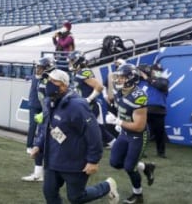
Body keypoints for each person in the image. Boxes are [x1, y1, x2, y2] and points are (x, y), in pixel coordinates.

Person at [30, 70, 120, 204]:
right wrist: (39, 144)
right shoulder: (50, 101)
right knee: (49, 193)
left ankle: (107, 186)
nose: (49, 84)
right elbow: (47, 127)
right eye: (48, 81)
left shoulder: (77, 105)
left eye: (54, 81)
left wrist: (93, 160)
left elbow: (94, 134)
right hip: (52, 159)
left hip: (74, 162)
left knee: (76, 197)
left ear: (64, 85)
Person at [105, 64, 156, 204]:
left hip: (138, 136)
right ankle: (146, 167)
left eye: (122, 77)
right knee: (115, 162)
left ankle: (138, 195)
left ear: (131, 79)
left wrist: (118, 122)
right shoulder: (121, 90)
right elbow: (112, 98)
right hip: (125, 132)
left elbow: (139, 127)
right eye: (118, 77)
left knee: (129, 167)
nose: (118, 80)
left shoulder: (138, 97)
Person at [68, 51, 116, 148]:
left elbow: (99, 87)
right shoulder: (77, 73)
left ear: (78, 61)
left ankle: (115, 145)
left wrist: (88, 99)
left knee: (94, 128)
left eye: (72, 61)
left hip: (90, 106)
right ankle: (115, 144)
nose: (70, 63)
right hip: (82, 106)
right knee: (98, 128)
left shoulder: (84, 72)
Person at [22, 56, 54, 182]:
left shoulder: (54, 80)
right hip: (46, 115)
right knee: (39, 143)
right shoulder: (42, 79)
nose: (37, 70)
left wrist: (48, 111)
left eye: (40, 68)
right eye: (37, 67)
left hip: (55, 117)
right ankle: (38, 173)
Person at [138, 64, 169, 158]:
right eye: (155, 70)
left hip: (158, 110)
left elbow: (161, 85)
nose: (157, 72)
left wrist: (147, 78)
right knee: (142, 132)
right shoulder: (141, 81)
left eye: (159, 70)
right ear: (151, 71)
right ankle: (140, 151)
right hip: (143, 109)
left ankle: (161, 152)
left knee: (159, 132)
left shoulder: (164, 81)